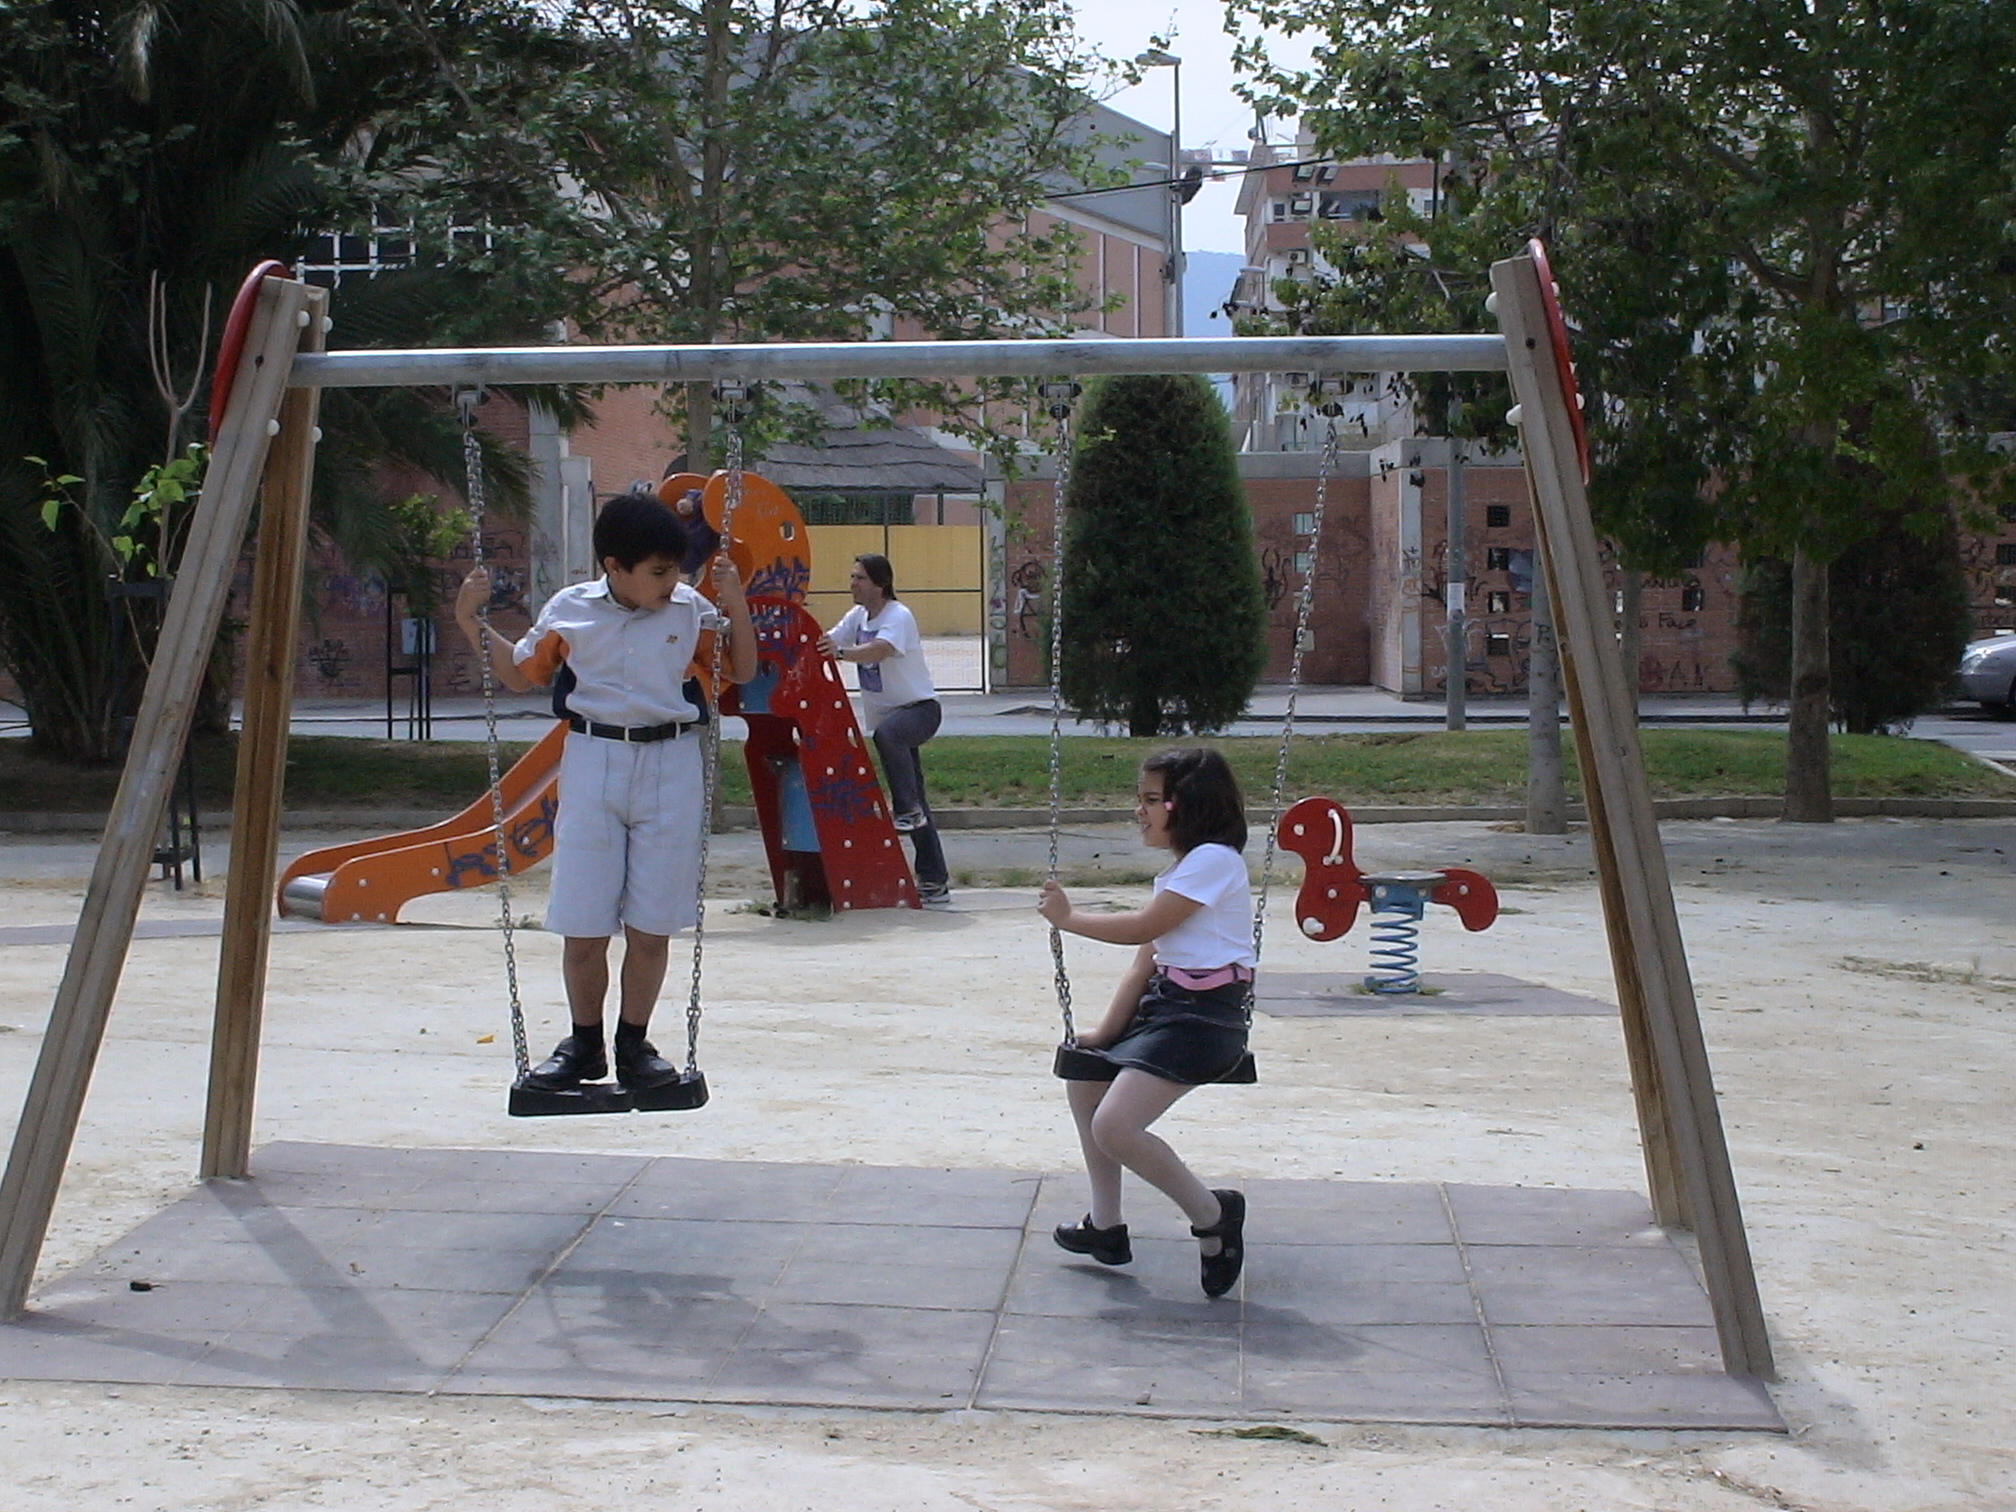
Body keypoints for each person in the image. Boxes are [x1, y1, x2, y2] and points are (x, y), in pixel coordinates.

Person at [453, 489, 757, 1092]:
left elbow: (740, 670)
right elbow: (520, 674)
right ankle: (584, 1044)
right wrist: (469, 619)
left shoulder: (689, 609)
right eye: (659, 572)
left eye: (676, 571)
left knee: (652, 923)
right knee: (584, 921)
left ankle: (634, 1043)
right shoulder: (571, 610)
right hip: (593, 757)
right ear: (614, 567)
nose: (672, 583)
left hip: (670, 760)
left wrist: (737, 603)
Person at [1036, 746, 1253, 1298]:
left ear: (1189, 806)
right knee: (1085, 1075)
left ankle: (1213, 1216)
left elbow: (1141, 929)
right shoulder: (1182, 871)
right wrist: (1106, 1035)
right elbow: (1146, 961)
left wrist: (1069, 919)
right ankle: (1105, 1226)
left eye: (1152, 800)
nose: (1140, 811)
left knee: (1115, 1127)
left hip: (1205, 1019)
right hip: (1166, 1009)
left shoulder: (1214, 860)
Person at [816, 553, 950, 907]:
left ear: (881, 583)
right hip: (891, 717)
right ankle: (934, 880)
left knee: (888, 737)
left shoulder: (897, 615)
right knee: (916, 799)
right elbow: (829, 640)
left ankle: (906, 809)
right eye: (852, 577)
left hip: (919, 710)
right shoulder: (858, 616)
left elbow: (881, 649)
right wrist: (818, 644)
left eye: (860, 578)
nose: (853, 584)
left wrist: (841, 653)